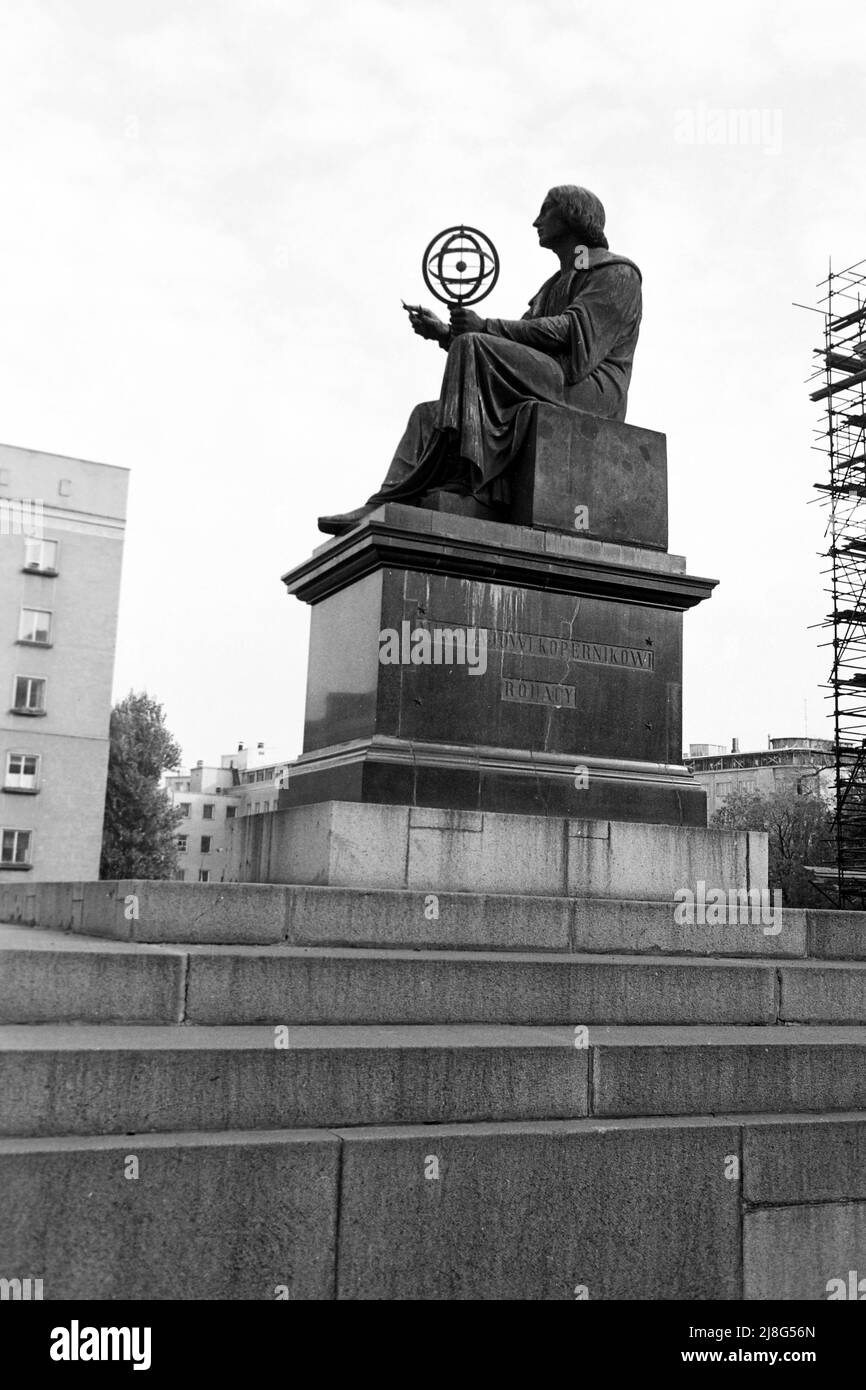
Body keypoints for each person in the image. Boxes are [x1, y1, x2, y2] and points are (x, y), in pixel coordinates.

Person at [318, 184, 642, 536]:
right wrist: (445, 334)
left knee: (474, 344)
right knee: (427, 415)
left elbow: (571, 332)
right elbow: (515, 346)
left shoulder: (617, 273)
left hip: (589, 389)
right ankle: (385, 502)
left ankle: (467, 482)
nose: (536, 221)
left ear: (574, 215)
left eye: (546, 210)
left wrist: (482, 327)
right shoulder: (551, 288)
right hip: (553, 377)